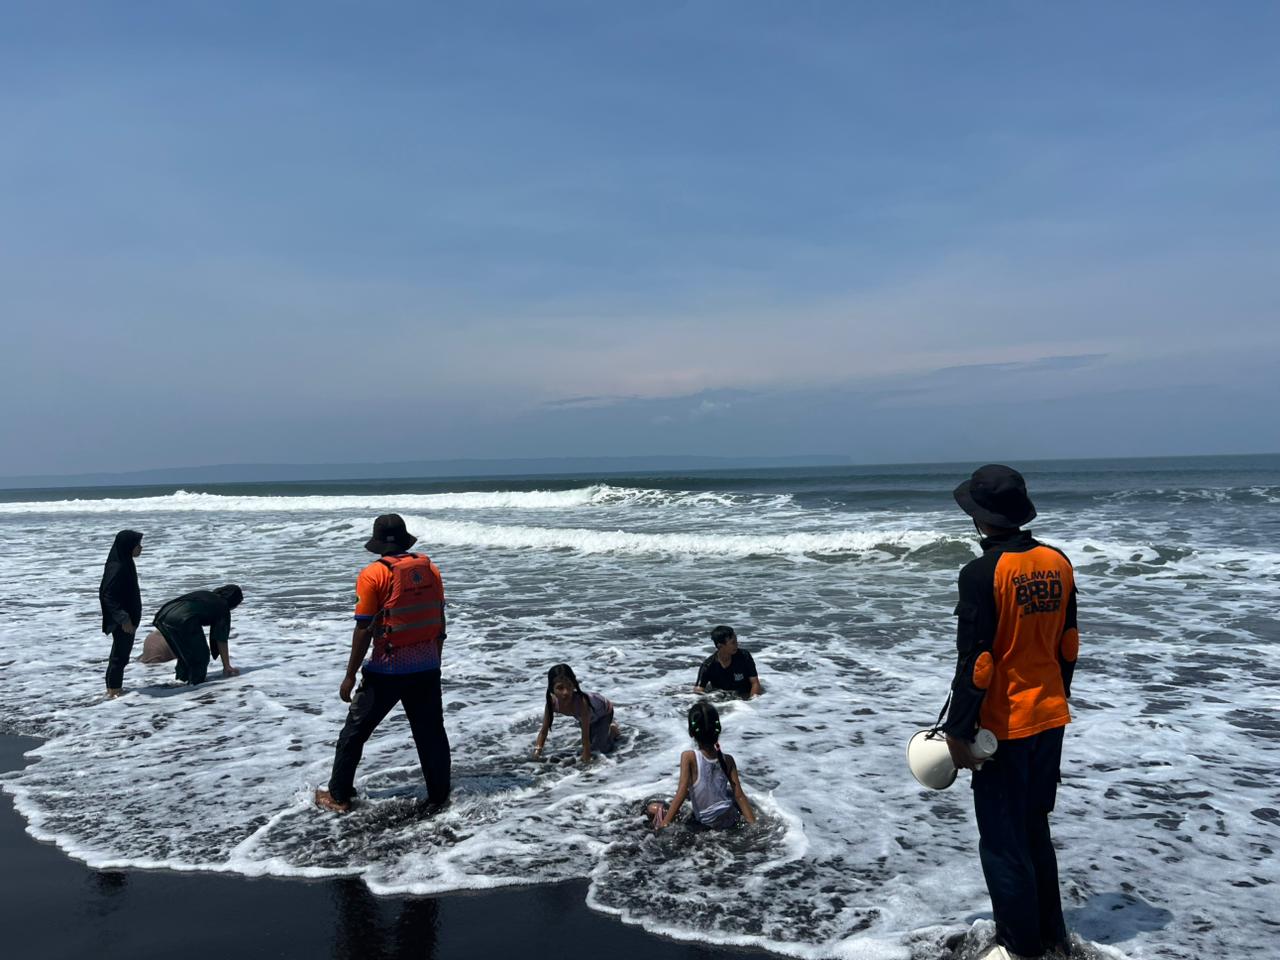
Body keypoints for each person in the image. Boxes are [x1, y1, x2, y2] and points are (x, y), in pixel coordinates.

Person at [943, 464, 1079, 960]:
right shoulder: (1057, 561)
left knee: (1001, 841)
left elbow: (977, 663)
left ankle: (1019, 947)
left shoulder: (981, 573)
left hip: (1003, 728)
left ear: (979, 519)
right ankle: (1052, 936)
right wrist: (1056, 698)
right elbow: (1068, 645)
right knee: (1034, 828)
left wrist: (959, 733)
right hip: (1051, 718)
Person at [316, 514, 451, 813]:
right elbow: (439, 619)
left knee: (353, 733)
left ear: (378, 544)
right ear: (405, 540)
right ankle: (439, 796)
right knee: (431, 735)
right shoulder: (431, 569)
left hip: (387, 669)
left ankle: (338, 796)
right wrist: (435, 660)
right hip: (427, 666)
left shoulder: (373, 574)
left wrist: (349, 675)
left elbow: (364, 628)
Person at [648, 701, 756, 830]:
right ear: (718, 730)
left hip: (707, 822)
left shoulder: (689, 757)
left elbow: (681, 794)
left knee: (652, 807)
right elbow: (739, 796)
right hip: (730, 817)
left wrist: (665, 824)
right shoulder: (728, 759)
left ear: (691, 732)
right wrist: (753, 824)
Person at [152, 584, 244, 685]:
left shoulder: (206, 596)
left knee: (184, 656)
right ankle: (196, 687)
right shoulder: (222, 606)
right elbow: (221, 638)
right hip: (183, 618)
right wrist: (227, 666)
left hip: (163, 615)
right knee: (201, 656)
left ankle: (180, 683)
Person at [532, 664, 620, 762]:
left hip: (604, 712)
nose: (566, 692)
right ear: (552, 689)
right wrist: (537, 751)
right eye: (560, 688)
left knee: (600, 750)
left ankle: (613, 731)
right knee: (593, 741)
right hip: (585, 716)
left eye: (569, 686)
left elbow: (585, 738)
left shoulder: (582, 702)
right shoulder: (552, 703)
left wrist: (587, 757)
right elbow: (544, 731)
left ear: (574, 685)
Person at [99, 530, 143, 697]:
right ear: (128, 546)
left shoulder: (124, 561)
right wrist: (123, 618)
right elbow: (107, 595)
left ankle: (113, 690)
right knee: (119, 656)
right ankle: (113, 692)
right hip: (122, 620)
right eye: (137, 544)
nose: (140, 548)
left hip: (126, 617)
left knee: (121, 655)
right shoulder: (117, 566)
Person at [693, 625, 762, 698]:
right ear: (720, 646)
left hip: (744, 697)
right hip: (722, 700)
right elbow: (698, 690)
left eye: (736, 641)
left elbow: (755, 683)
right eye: (733, 643)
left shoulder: (744, 656)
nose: (737, 645)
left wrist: (753, 703)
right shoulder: (708, 666)